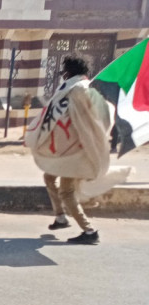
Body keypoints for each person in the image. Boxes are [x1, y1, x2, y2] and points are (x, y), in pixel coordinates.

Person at [26, 57, 113, 245]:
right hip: (66, 150)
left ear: (70, 70)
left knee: (67, 192)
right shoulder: (71, 88)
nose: (63, 74)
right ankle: (60, 218)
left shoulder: (81, 89)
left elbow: (94, 118)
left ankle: (89, 231)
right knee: (49, 177)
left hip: (77, 152)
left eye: (65, 70)